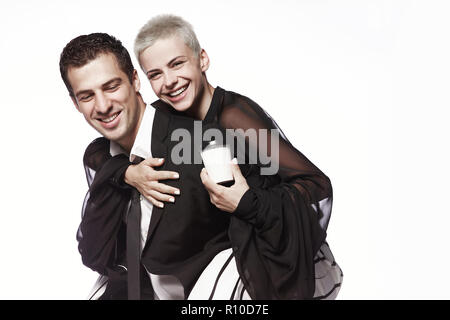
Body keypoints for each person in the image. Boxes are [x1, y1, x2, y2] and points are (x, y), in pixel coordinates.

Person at [60, 15, 342, 300]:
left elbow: (314, 184)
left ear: (202, 60)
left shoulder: (234, 118)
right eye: (156, 74)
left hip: (285, 255)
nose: (170, 82)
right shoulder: (153, 124)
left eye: (177, 64)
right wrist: (125, 172)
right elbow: (99, 154)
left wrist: (246, 202)